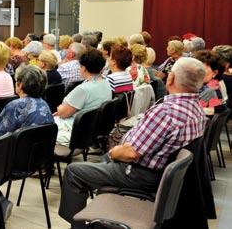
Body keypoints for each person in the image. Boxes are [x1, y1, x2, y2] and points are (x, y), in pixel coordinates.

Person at [58, 57, 207, 229]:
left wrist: (114, 153)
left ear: (171, 78)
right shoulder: (197, 109)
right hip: (158, 173)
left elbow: (131, 154)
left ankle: (77, 226)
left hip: (139, 174)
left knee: (74, 172)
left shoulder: (166, 112)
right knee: (103, 161)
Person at [0, 64, 55, 224]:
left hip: (14, 165)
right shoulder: (44, 105)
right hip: (37, 163)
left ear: (20, 85)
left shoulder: (15, 106)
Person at [53, 48, 111, 145]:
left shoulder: (83, 89)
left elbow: (63, 113)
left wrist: (60, 109)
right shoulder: (106, 82)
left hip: (78, 130)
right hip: (92, 127)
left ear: (83, 68)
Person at [193, 50, 226, 114]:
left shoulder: (211, 90)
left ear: (215, 73)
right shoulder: (216, 83)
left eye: (201, 69)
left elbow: (218, 110)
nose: (196, 72)